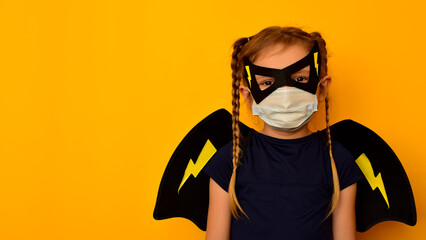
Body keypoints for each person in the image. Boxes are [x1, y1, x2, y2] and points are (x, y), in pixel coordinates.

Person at [202, 26, 364, 240]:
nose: (285, 94)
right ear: (248, 96)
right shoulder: (229, 160)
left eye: (299, 79)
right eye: (268, 83)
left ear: (321, 88)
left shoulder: (337, 160)